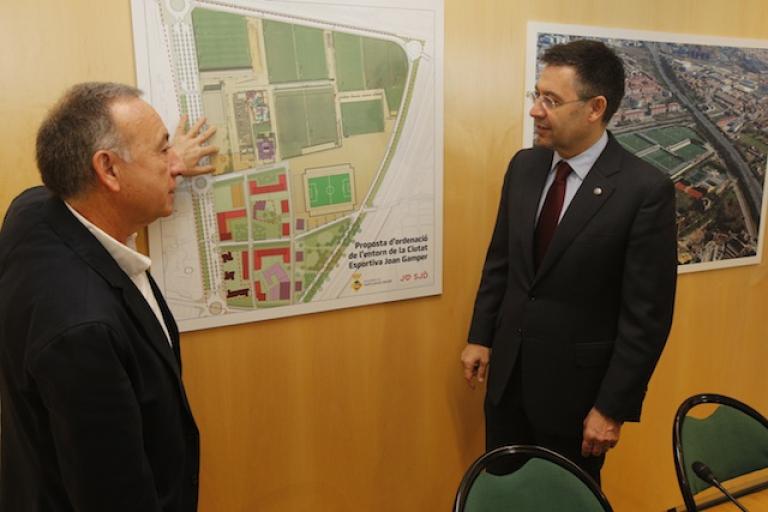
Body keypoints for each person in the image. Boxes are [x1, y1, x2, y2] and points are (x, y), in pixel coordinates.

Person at [461, 40, 677, 483]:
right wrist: (480, 336)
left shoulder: (643, 191)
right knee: (503, 493)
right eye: (536, 95)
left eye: (551, 100)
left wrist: (611, 408)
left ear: (595, 108)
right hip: (507, 383)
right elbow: (501, 261)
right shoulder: (524, 167)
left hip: (576, 400)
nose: (535, 111)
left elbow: (646, 318)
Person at [0, 82, 217, 511]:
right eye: (162, 150)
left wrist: (161, 167)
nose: (174, 164)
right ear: (109, 170)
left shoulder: (32, 213)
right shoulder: (83, 332)